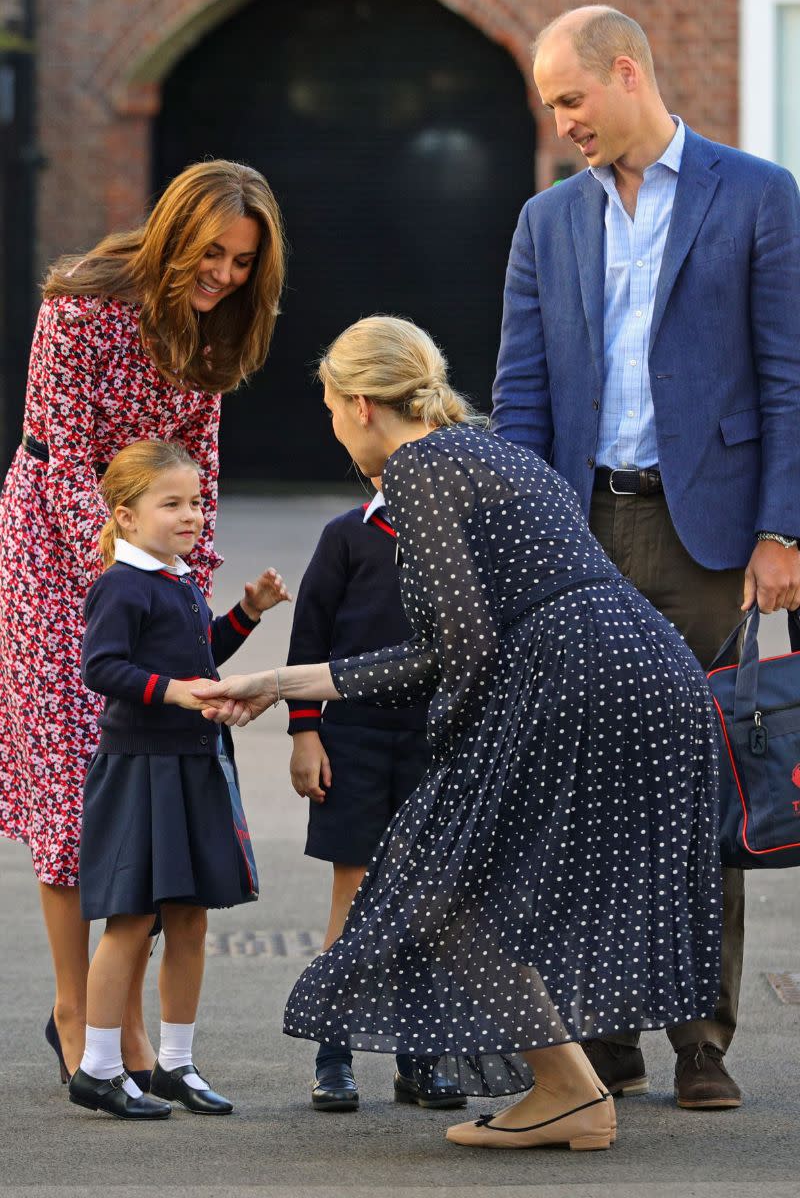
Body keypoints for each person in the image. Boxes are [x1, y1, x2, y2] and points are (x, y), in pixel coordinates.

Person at [194, 314, 722, 1152]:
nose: (333, 430)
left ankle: (568, 1091)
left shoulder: (418, 468)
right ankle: (572, 1090)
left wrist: (449, 765)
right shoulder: (497, 451)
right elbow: (462, 639)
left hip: (571, 679)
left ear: (363, 404)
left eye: (331, 409)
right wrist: (283, 682)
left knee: (436, 881)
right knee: (502, 885)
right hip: (647, 672)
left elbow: (453, 649)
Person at [491, 4, 800, 1110]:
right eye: (549, 107)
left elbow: (787, 376)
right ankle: (604, 1034)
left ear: (625, 73)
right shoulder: (545, 223)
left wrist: (780, 531)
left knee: (702, 784)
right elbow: (519, 393)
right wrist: (519, 538)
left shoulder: (756, 194)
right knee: (588, 785)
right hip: (580, 533)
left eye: (569, 99)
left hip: (707, 539)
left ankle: (700, 1041)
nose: (561, 121)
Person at [0, 158, 285, 1086]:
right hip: (58, 548)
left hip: (155, 554)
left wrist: (190, 589)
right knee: (73, 783)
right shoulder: (82, 304)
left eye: (243, 263)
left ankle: (122, 1020)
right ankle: (80, 1012)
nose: (224, 276)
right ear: (172, 234)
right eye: (212, 253)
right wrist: (125, 572)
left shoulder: (214, 330)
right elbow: (61, 457)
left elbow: (199, 459)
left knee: (147, 775)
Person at [68, 438, 290, 1120]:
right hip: (141, 771)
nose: (191, 514)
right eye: (172, 503)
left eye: (195, 501)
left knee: (190, 919)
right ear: (127, 516)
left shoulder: (179, 577)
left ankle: (174, 1064)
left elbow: (199, 655)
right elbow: (102, 670)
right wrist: (178, 694)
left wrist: (247, 613)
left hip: (194, 765)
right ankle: (99, 1070)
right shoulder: (120, 583)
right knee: (131, 920)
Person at [286, 479, 457, 1111]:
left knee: (425, 900)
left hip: (434, 741)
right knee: (353, 894)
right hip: (351, 736)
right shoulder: (347, 536)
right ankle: (332, 1054)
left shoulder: (459, 537)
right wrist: (306, 734)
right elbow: (308, 642)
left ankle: (420, 1058)